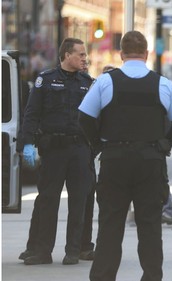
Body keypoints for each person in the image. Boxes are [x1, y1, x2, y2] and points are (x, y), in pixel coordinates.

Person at [78, 30, 172, 281]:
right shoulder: (162, 83)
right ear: (147, 54)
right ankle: (151, 277)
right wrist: (165, 144)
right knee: (149, 227)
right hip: (150, 161)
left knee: (110, 226)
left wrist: (98, 144)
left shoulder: (106, 82)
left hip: (115, 160)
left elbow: (84, 116)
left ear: (121, 54)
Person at [20, 38, 94, 265]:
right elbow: (32, 114)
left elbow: (97, 118)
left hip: (79, 149)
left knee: (79, 201)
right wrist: (27, 143)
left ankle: (73, 251)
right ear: (66, 55)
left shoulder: (88, 82)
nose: (84, 58)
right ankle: (43, 251)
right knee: (47, 201)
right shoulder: (46, 80)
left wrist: (96, 148)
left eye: (84, 54)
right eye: (80, 54)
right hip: (53, 150)